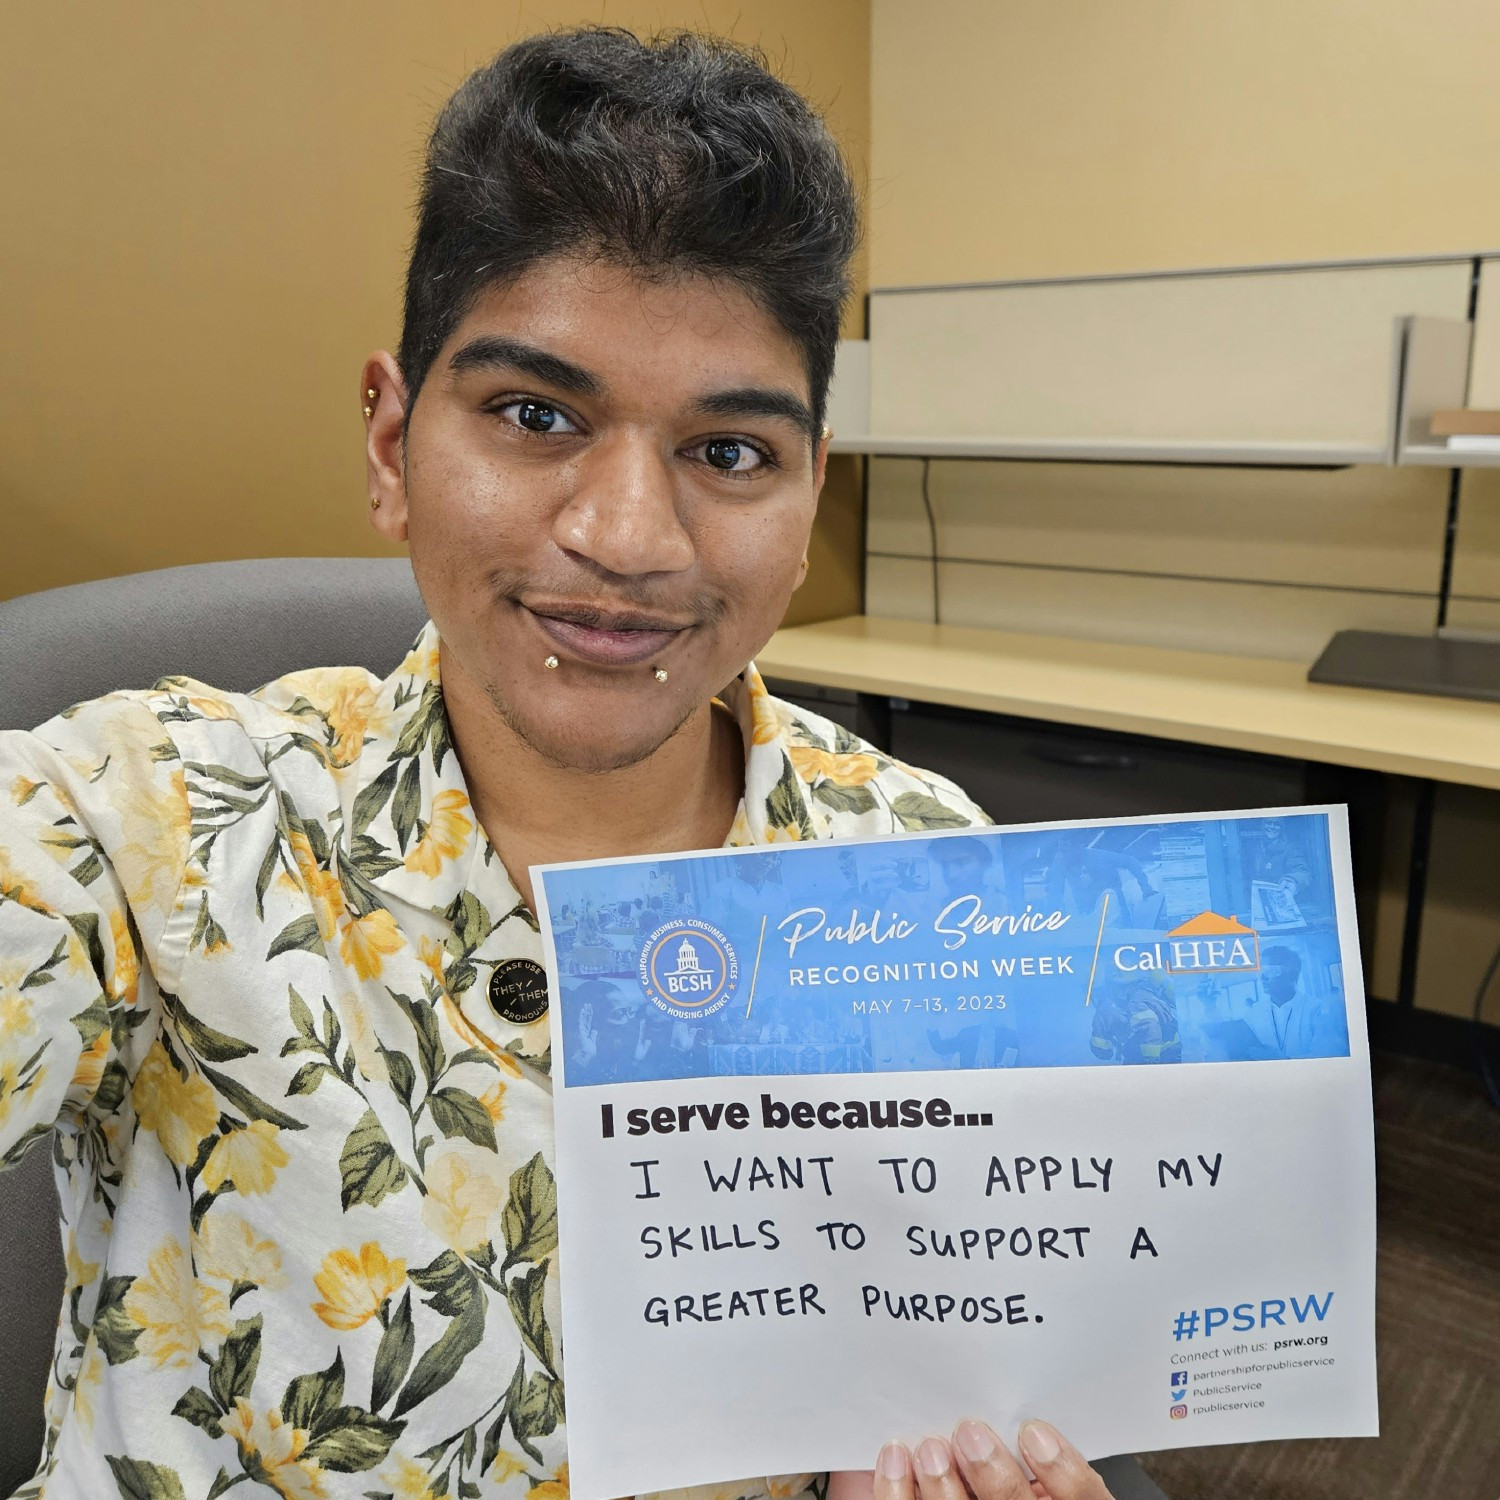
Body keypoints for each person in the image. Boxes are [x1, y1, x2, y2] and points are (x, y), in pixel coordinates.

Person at [0, 28, 1120, 1500]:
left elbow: (982, 1334)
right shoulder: (145, 818)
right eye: (536, 416)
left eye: (730, 452)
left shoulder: (934, 877)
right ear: (395, 444)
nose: (631, 540)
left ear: (808, 492)